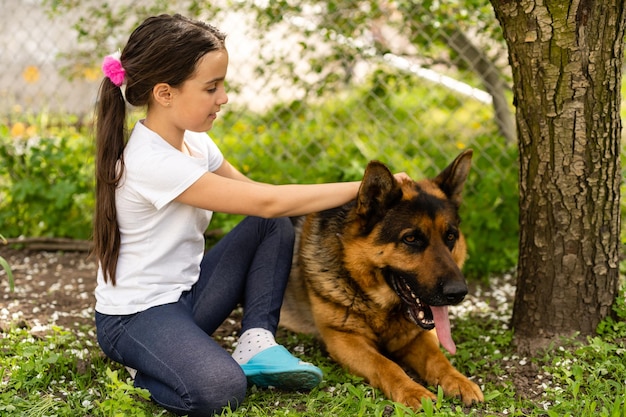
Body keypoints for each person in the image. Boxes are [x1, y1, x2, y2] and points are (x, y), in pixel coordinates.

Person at [93, 13, 409, 417]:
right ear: (164, 93)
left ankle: (256, 340)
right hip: (135, 318)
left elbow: (261, 202)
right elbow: (268, 200)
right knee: (221, 389)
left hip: (188, 295)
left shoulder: (196, 143)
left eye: (221, 85)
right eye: (211, 88)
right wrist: (363, 188)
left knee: (270, 226)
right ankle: (147, 371)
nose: (223, 97)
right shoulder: (149, 161)